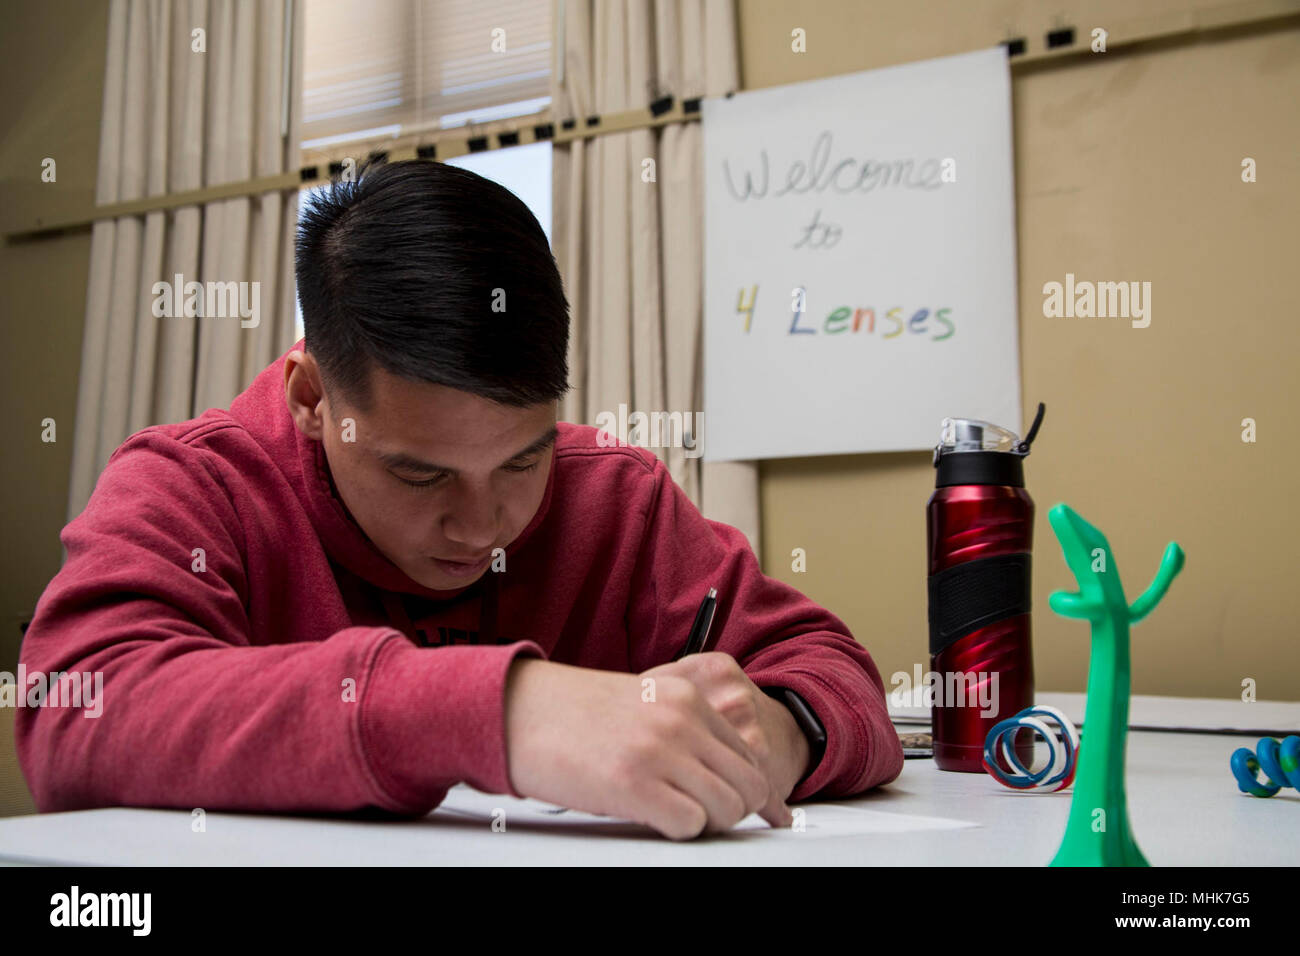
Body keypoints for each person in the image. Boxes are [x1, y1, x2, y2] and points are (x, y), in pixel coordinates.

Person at [17, 159, 902, 840]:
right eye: (420, 473)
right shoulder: (194, 484)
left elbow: (830, 668)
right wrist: (502, 713)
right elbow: (75, 709)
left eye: (522, 462)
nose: (483, 528)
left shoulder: (615, 497)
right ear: (314, 399)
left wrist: (779, 735)